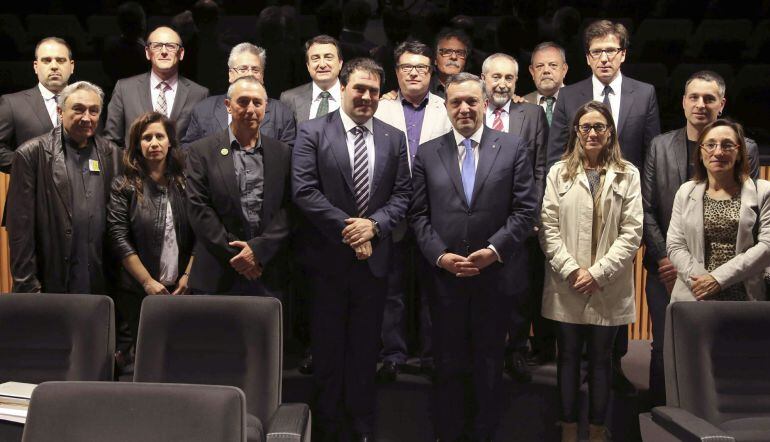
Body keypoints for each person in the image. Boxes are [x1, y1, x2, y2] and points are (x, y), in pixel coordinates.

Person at [409, 72, 537, 442]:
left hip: (494, 278)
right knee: (447, 366)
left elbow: (525, 210)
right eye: (455, 102)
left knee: (488, 366)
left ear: (484, 104)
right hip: (444, 279)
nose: (464, 108)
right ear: (446, 107)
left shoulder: (512, 147)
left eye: (471, 101)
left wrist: (494, 251)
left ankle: (483, 435)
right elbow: (418, 215)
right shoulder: (429, 151)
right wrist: (441, 256)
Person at [292, 58, 410, 442]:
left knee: (364, 356)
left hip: (374, 266)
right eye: (359, 88)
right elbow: (305, 192)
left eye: (374, 91)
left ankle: (361, 430)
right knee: (328, 356)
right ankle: (327, 431)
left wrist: (374, 227)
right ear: (342, 88)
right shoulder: (312, 132)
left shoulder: (394, 137)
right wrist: (353, 231)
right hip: (328, 264)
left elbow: (403, 194)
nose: (366, 97)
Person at [546, 20, 659, 395]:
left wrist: (638, 220)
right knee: (572, 319)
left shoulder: (644, 94)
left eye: (611, 50)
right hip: (574, 202)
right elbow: (553, 156)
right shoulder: (570, 94)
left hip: (621, 208)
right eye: (597, 51)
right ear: (587, 57)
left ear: (623, 54)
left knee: (612, 305)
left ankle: (612, 368)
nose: (604, 57)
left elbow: (651, 157)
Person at [642, 70, 760, 407]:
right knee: (665, 346)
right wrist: (668, 260)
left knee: (725, 350)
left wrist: (713, 276)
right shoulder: (660, 145)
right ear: (683, 102)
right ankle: (661, 415)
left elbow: (744, 215)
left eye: (709, 98)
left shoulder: (744, 148)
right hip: (666, 268)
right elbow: (648, 209)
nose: (700, 104)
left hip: (726, 275)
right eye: (693, 97)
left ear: (721, 104)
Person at [540, 101, 643, 442]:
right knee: (567, 358)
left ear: (610, 131)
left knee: (601, 361)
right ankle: (569, 429)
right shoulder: (559, 172)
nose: (593, 133)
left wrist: (598, 273)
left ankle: (598, 431)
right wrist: (571, 270)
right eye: (586, 127)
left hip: (607, 285)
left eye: (599, 126)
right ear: (576, 132)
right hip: (565, 282)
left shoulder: (628, 173)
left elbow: (633, 231)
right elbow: (547, 226)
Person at [373, 39, 452, 382]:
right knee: (391, 288)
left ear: (432, 71)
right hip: (391, 212)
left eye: (421, 67)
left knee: (434, 288)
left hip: (434, 213)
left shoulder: (446, 107)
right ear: (397, 72)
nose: (414, 73)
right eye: (407, 67)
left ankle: (433, 355)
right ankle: (393, 354)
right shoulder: (380, 107)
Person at [7, 81, 122, 294]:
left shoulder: (113, 155)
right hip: (52, 278)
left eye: (94, 111)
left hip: (101, 279)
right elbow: (20, 232)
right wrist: (28, 287)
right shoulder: (32, 154)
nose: (87, 117)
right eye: (78, 109)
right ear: (60, 111)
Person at [185, 76, 291, 296]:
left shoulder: (282, 152)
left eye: (257, 102)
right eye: (243, 102)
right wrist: (241, 257)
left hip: (267, 272)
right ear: (228, 105)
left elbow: (289, 209)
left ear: (266, 107)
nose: (250, 109)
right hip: (217, 273)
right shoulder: (201, 151)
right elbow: (198, 208)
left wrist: (258, 251)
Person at [480, 52, 549, 382]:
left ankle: (517, 349)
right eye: (496, 77)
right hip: (479, 215)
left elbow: (540, 167)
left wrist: (532, 213)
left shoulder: (532, 114)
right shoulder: (472, 108)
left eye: (509, 78)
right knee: (483, 289)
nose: (502, 84)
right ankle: (486, 350)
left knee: (519, 288)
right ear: (484, 79)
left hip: (520, 216)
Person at [107, 111, 194, 351]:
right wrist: (147, 282)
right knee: (146, 356)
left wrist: (188, 277)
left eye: (159, 136)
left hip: (182, 290)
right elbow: (118, 238)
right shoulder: (122, 185)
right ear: (137, 145)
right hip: (138, 292)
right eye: (146, 138)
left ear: (170, 142)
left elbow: (202, 233)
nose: (154, 143)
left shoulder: (186, 183)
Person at [667, 119, 770, 304]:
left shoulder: (763, 191)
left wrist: (718, 279)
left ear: (739, 153)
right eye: (710, 145)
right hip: (696, 295)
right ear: (700, 152)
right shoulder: (685, 191)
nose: (718, 152)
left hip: (744, 300)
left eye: (727, 145)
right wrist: (702, 282)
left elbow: (767, 246)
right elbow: (675, 245)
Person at [105, 26, 209, 148]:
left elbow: (203, 144)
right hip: (134, 166)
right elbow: (111, 142)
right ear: (148, 53)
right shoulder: (125, 89)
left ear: (181, 53)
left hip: (182, 166)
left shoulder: (199, 94)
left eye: (171, 46)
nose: (164, 51)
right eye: (157, 46)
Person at [181, 42, 296, 147]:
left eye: (255, 70)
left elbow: (288, 157)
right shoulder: (204, 110)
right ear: (230, 74)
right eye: (243, 69)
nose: (250, 74)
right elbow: (188, 151)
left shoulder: (282, 113)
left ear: (262, 76)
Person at [0, 37, 75, 172]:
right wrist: (30, 166)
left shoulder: (89, 105)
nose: (54, 66)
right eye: (46, 60)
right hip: (32, 189)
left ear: (72, 66)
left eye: (61, 60)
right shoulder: (12, 104)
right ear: (36, 66)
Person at [280, 35, 343, 124]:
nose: (322, 64)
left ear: (340, 63)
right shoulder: (289, 99)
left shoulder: (353, 97)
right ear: (308, 66)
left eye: (328, 57)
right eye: (315, 58)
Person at [524, 41, 569, 127]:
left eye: (553, 65)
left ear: (564, 69)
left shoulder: (579, 100)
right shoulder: (522, 104)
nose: (546, 71)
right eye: (539, 66)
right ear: (532, 72)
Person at [430, 28, 471, 99]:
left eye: (460, 53)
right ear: (435, 59)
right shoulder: (423, 88)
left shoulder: (474, 89)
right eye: (446, 52)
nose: (454, 57)